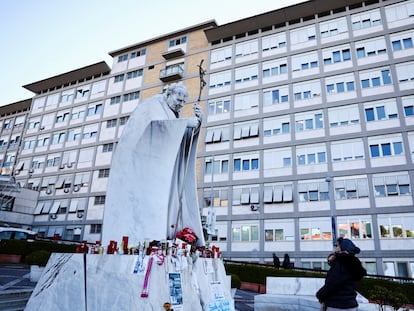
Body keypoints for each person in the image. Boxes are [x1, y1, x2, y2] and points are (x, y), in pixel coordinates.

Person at [102, 83, 205, 247]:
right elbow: (153, 129)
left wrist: (197, 123)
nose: (180, 104)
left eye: (183, 102)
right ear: (168, 94)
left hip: (166, 171)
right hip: (145, 173)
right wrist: (185, 123)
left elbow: (179, 140)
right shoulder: (152, 106)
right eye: (178, 100)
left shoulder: (173, 113)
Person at [316, 237, 367, 311]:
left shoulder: (341, 263)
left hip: (336, 305)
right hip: (351, 304)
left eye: (337, 246)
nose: (335, 248)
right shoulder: (353, 264)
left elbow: (332, 283)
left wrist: (320, 295)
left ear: (342, 248)